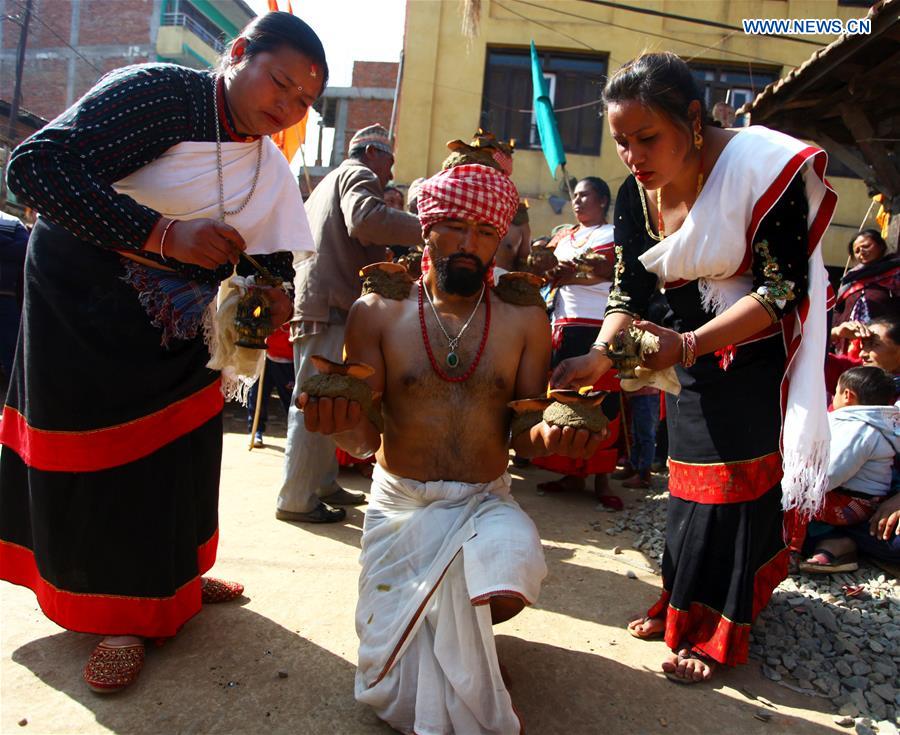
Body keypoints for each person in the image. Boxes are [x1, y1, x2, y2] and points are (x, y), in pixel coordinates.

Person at [0, 11, 325, 693]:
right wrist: (164, 234)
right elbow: (35, 169)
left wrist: (273, 301)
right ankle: (120, 615)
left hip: (183, 322)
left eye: (303, 101)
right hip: (86, 304)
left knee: (185, 452)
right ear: (238, 53)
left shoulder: (267, 162)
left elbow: (266, 260)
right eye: (281, 84)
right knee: (116, 462)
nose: (287, 107)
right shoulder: (156, 94)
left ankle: (175, 574)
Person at [552, 52, 836, 683]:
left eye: (647, 138)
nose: (633, 156)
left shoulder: (763, 170)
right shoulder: (633, 194)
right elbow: (627, 292)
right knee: (685, 484)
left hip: (751, 354)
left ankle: (717, 630)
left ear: (693, 118)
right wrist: (600, 354)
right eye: (622, 142)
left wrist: (685, 346)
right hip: (683, 358)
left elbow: (780, 291)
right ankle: (682, 602)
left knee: (732, 488)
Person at [299, 163, 606, 733]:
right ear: (426, 228)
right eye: (456, 228)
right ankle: (460, 649)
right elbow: (364, 438)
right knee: (388, 690)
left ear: (500, 241)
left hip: (482, 501)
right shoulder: (378, 312)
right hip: (401, 506)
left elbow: (527, 435)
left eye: (486, 233)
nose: (471, 245)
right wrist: (336, 424)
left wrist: (559, 435)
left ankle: (470, 638)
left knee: (511, 559)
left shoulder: (524, 317)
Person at [278, 123, 423, 524]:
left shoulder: (328, 182)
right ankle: (296, 498)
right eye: (390, 162)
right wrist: (428, 228)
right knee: (317, 402)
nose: (390, 174)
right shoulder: (358, 175)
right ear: (373, 153)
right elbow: (366, 220)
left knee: (331, 397)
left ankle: (321, 484)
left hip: (319, 302)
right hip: (332, 305)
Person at [534, 177, 621, 499]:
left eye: (586, 196)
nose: (578, 201)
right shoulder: (564, 235)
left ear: (602, 200)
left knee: (603, 400)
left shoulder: (612, 234)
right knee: (564, 398)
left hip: (599, 326)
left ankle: (601, 479)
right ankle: (568, 473)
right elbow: (549, 270)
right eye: (577, 196)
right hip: (563, 323)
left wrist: (573, 275)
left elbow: (613, 272)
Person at [798, 366, 899, 573]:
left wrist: (797, 485)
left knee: (789, 509)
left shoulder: (860, 429)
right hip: (858, 500)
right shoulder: (868, 424)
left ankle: (805, 547)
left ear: (847, 395)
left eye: (834, 392)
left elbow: (830, 474)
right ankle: (835, 545)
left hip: (851, 503)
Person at [832, 229, 900, 351]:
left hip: (884, 340)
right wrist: (838, 329)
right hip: (851, 342)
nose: (861, 252)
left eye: (866, 246)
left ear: (880, 245)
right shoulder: (850, 278)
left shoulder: (896, 271)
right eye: (856, 251)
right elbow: (838, 310)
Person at [246, 323, 295, 448]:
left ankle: (294, 433)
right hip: (265, 354)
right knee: (257, 395)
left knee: (291, 401)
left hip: (287, 359)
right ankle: (255, 430)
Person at [0, 210, 29, 381]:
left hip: (6, 296)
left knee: (11, 346)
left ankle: (15, 398)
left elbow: (25, 249)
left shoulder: (12, 221)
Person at [494, 201, 531, 274]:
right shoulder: (523, 227)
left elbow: (524, 258)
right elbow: (524, 257)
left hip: (502, 277)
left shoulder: (522, 226)